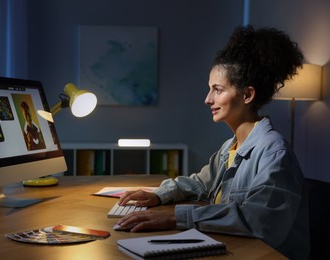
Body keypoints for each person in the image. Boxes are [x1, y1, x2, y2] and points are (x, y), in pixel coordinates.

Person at [117, 25, 310, 259]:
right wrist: (159, 194)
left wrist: (174, 217)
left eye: (217, 90)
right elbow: (200, 183)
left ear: (247, 95)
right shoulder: (230, 146)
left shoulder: (274, 152)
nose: (208, 99)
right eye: (210, 90)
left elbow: (258, 220)